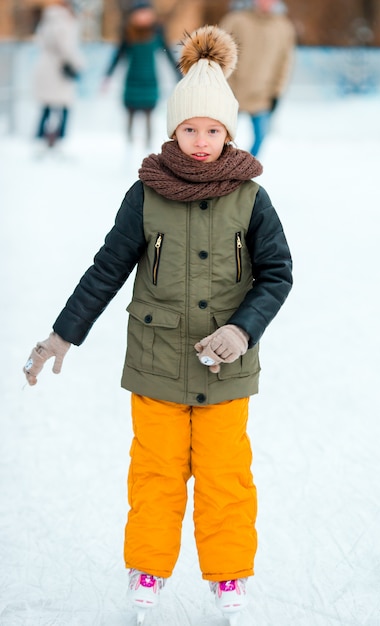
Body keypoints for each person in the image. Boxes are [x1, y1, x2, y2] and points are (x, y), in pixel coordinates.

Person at [23, 25, 293, 624]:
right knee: (155, 473)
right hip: (155, 365)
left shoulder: (251, 198)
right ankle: (147, 565)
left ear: (229, 131)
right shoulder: (146, 195)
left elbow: (278, 275)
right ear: (174, 129)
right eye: (190, 128)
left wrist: (242, 329)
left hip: (226, 368)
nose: (201, 141)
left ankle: (228, 575)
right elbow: (106, 270)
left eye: (213, 129)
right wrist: (62, 334)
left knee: (226, 478)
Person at [220, 0, 296, 156]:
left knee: (261, 138)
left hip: (263, 95)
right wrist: (224, 85)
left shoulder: (284, 27)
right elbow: (220, 52)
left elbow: (285, 63)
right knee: (219, 138)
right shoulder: (236, 20)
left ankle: (244, 174)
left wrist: (277, 92)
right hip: (232, 93)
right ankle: (217, 173)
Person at [102, 0, 179, 145]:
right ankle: (129, 144)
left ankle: (148, 145)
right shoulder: (128, 32)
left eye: (146, 13)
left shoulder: (157, 32)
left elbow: (167, 53)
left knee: (149, 112)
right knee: (130, 111)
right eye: (140, 13)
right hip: (132, 78)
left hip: (150, 78)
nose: (144, 16)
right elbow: (118, 55)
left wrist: (178, 73)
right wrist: (108, 75)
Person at [33, 0, 85, 149]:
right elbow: (66, 48)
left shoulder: (47, 19)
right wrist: (79, 64)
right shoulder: (65, 21)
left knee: (47, 106)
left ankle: (41, 140)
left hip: (45, 68)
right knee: (64, 107)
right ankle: (59, 140)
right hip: (60, 71)